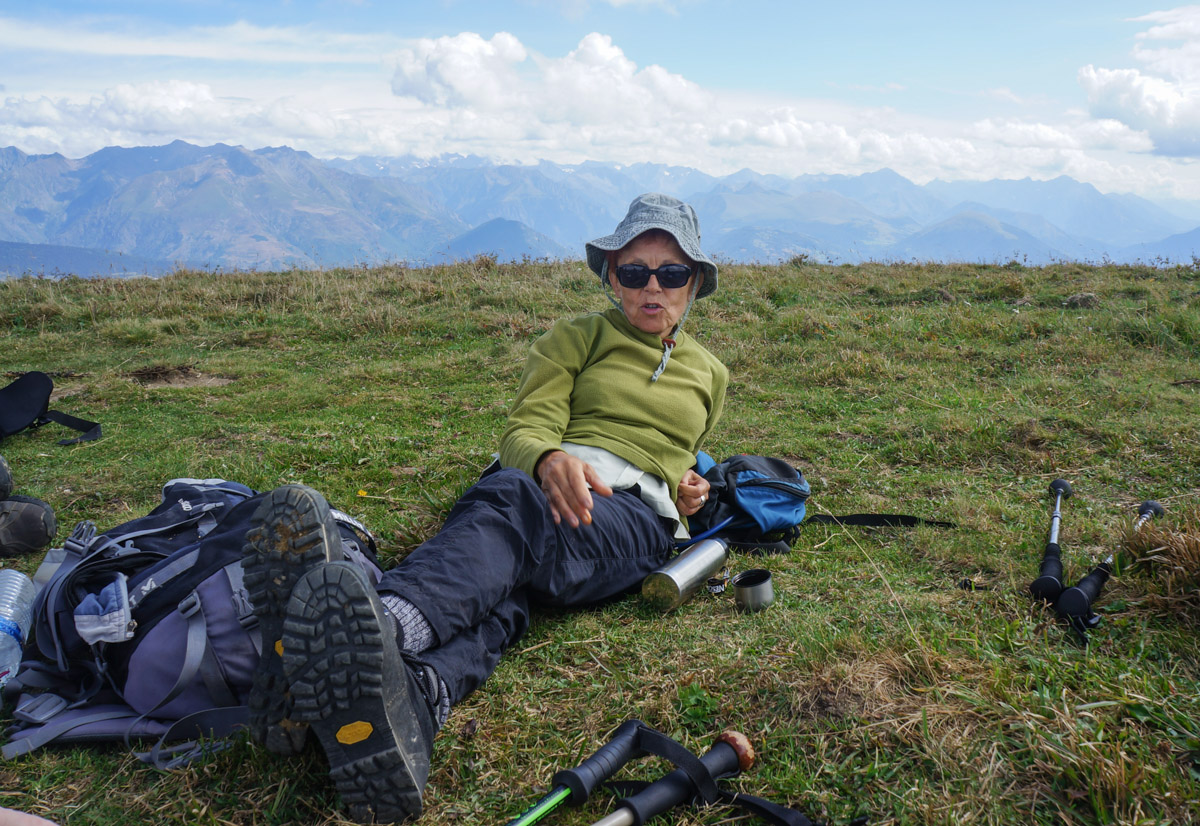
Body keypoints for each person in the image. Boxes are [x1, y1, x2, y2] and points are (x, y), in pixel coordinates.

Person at [241, 193, 728, 823]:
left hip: (629, 521)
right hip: (541, 487)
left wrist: (688, 486)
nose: (652, 287)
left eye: (671, 272)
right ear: (612, 277)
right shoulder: (574, 338)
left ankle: (379, 630)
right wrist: (550, 458)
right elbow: (526, 429)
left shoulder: (710, 373)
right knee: (506, 591)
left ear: (695, 282)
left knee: (509, 515)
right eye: (634, 272)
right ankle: (417, 697)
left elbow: (684, 454)